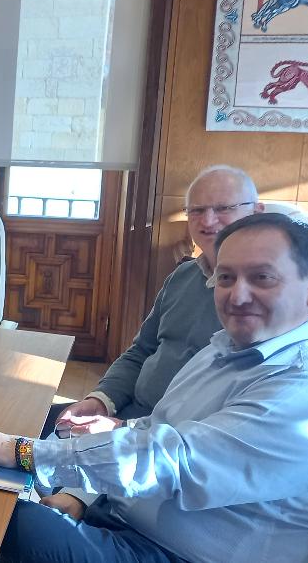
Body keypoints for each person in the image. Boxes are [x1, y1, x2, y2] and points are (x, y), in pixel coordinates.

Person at [0, 213, 308, 563]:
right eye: (226, 278)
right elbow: (157, 427)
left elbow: (172, 460)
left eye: (262, 278)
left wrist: (24, 454)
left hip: (169, 552)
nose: (237, 295)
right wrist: (80, 493)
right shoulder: (229, 345)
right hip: (123, 517)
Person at [50, 165, 264, 438]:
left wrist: (126, 430)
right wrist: (102, 400)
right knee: (16, 429)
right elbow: (141, 351)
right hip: (127, 415)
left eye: (223, 208)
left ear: (257, 212)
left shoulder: (261, 304)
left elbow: (226, 421)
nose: (208, 221)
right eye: (197, 210)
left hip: (171, 441)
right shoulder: (183, 276)